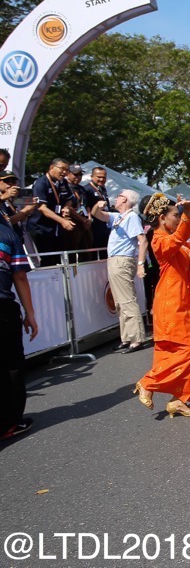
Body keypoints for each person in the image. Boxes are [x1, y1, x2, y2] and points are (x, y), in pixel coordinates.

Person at [133, 194, 190, 418]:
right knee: (187, 351)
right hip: (172, 303)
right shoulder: (159, 240)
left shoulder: (178, 239)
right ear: (162, 219)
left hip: (187, 301)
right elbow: (180, 239)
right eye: (175, 216)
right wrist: (189, 213)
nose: (179, 219)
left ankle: (179, 400)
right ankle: (148, 383)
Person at [91, 189, 148, 353]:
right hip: (115, 260)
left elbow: (142, 241)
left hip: (123, 260)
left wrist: (140, 264)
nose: (116, 199)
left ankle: (136, 338)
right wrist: (96, 206)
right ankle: (127, 337)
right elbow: (98, 215)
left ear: (125, 200)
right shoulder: (119, 217)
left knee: (127, 300)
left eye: (120, 196)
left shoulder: (131, 217)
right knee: (119, 302)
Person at [0, 219, 38, 441]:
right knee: (10, 365)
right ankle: (9, 422)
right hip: (3, 307)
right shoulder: (7, 233)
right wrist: (30, 313)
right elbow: (20, 275)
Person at [29, 158, 76, 265]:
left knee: (58, 261)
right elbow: (42, 208)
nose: (65, 172)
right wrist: (63, 221)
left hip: (56, 229)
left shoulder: (63, 182)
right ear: (52, 168)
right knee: (47, 262)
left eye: (67, 170)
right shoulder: (41, 183)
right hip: (41, 229)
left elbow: (70, 198)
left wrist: (66, 207)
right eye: (62, 169)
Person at [82, 166, 111, 259]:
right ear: (92, 176)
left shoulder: (103, 189)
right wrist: (88, 219)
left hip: (104, 225)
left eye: (104, 177)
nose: (101, 179)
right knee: (95, 252)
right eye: (99, 177)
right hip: (94, 227)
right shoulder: (86, 189)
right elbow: (84, 207)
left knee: (104, 252)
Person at [0, 170, 37, 238]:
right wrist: (26, 211)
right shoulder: (2, 199)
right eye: (6, 181)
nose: (10, 184)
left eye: (13, 181)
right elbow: (7, 221)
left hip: (16, 237)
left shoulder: (11, 199)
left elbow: (19, 220)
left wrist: (28, 211)